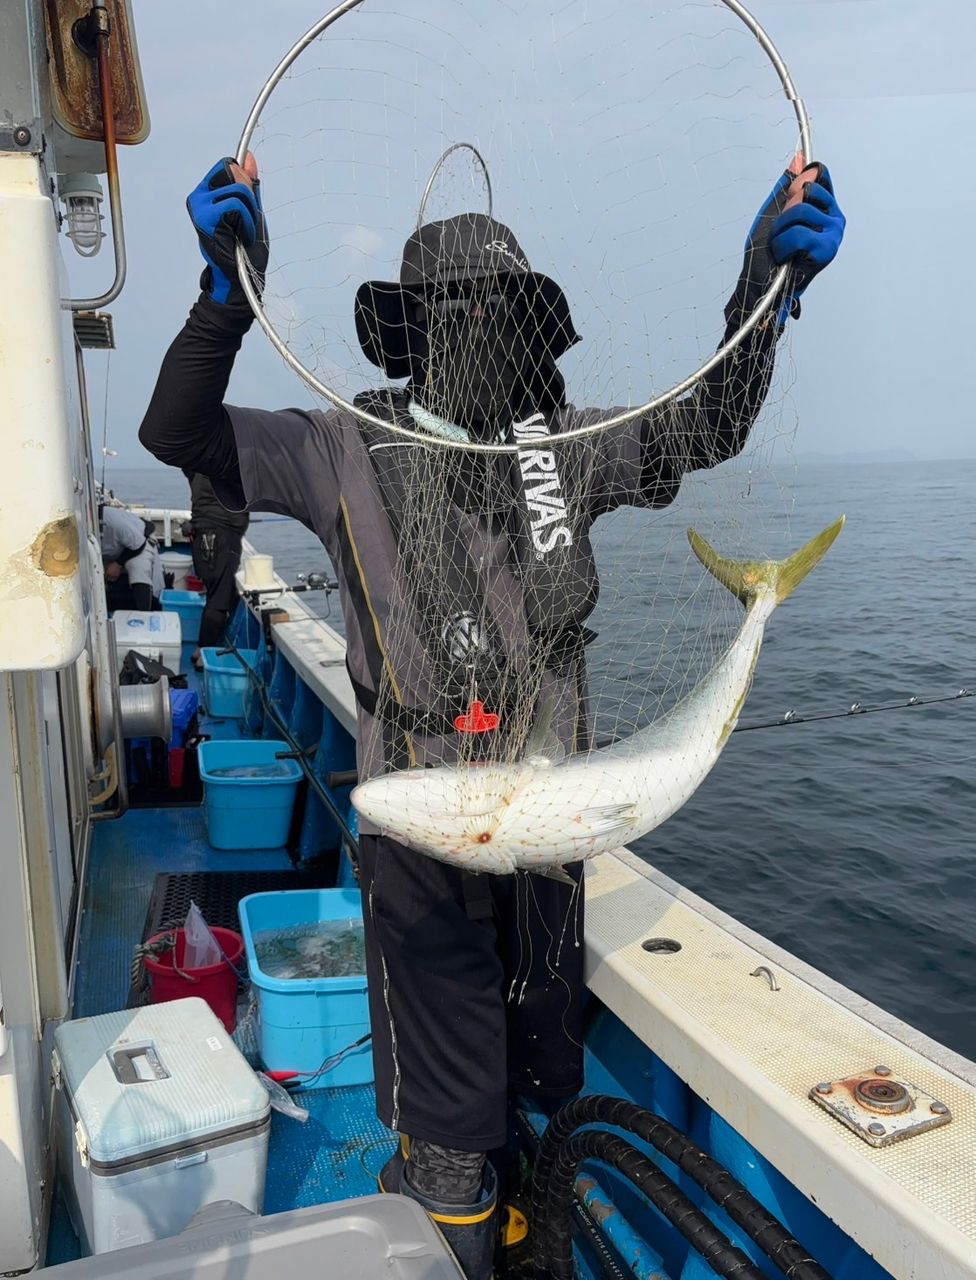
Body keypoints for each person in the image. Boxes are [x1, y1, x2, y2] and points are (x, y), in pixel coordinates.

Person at [139, 151, 844, 1278]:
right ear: (406, 332)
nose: (475, 332)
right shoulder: (336, 445)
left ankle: (509, 1214)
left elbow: (707, 422)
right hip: (421, 837)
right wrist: (221, 302)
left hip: (549, 837)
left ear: (530, 325)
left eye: (496, 310)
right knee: (453, 1130)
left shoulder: (565, 446)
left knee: (541, 1074)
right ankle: (449, 1216)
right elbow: (178, 431)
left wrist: (761, 292)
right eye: (449, 313)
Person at [184, 470, 250, 669]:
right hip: (220, 538)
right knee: (219, 602)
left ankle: (202, 649)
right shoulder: (227, 464)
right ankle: (202, 653)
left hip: (205, 538)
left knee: (218, 596)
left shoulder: (195, 462)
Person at [100, 501, 163, 612]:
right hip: (109, 550)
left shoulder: (114, 522)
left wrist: (118, 564)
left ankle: (144, 615)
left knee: (138, 568)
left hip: (140, 541)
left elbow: (138, 544)